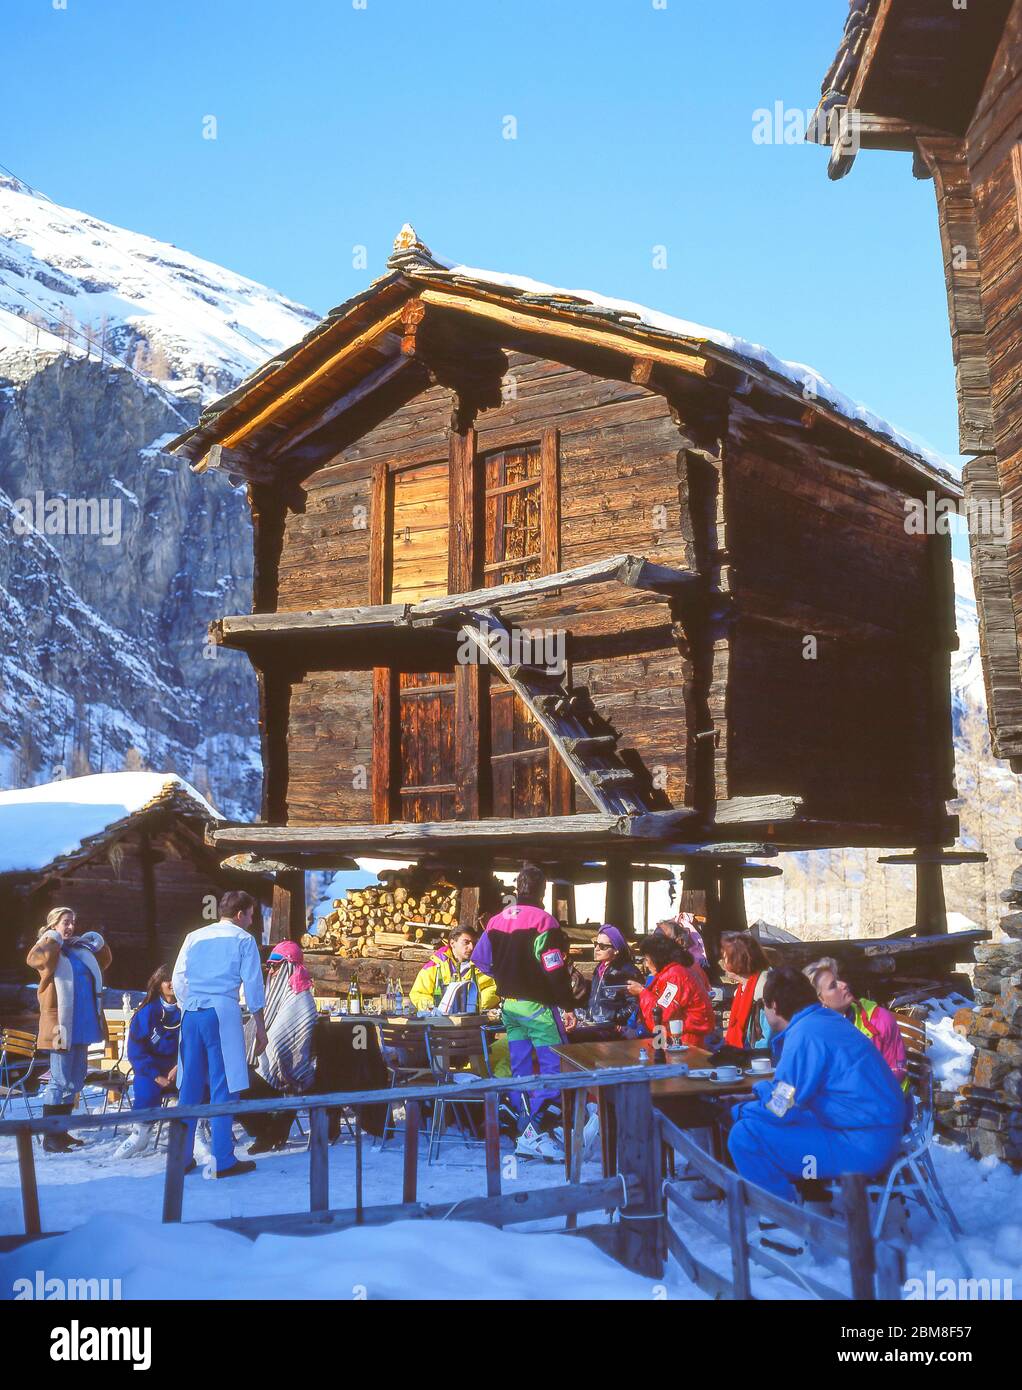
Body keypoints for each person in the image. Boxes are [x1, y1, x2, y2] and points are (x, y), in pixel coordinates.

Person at [727, 967, 906, 1209]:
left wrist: (738, 1110)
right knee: (784, 1121)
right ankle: (814, 1205)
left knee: (744, 1135)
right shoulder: (825, 1021)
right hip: (878, 1132)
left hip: (862, 1146)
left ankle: (782, 1225)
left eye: (764, 1005)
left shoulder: (804, 1036)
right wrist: (760, 1094)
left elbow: (781, 1109)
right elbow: (796, 1095)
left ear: (775, 1005)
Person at [472, 863, 575, 1159]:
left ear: (518, 888)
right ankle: (539, 1129)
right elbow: (553, 967)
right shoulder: (545, 921)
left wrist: (504, 974)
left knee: (520, 1068)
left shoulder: (495, 920)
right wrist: (567, 1003)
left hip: (510, 1006)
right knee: (553, 1068)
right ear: (543, 890)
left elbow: (480, 960)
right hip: (538, 1006)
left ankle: (521, 1124)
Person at [171, 890, 267, 1178]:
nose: (252, 920)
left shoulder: (195, 936)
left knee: (188, 1086)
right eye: (251, 914)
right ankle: (223, 1158)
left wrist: (188, 1001)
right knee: (223, 1084)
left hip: (191, 1012)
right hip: (221, 1010)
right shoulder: (243, 940)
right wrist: (260, 1024)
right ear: (240, 914)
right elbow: (252, 983)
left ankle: (180, 1155)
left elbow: (178, 977)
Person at [26, 907, 111, 1154]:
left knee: (75, 1080)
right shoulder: (50, 949)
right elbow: (35, 959)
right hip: (61, 1025)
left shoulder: (77, 950)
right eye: (65, 922)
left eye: (73, 922)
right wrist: (53, 938)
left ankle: (61, 1131)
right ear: (53, 924)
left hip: (83, 1023)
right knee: (60, 1080)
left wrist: (97, 941)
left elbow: (103, 962)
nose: (71, 926)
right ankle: (51, 1136)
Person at [241, 940, 318, 1155]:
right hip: (264, 1065)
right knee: (233, 1080)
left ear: (288, 966)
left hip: (286, 1071)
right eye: (269, 966)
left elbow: (288, 1042)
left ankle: (271, 1131)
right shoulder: (274, 995)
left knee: (238, 1084)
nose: (271, 971)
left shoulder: (300, 1000)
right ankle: (269, 1130)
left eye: (275, 965)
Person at [804, 957, 908, 1089]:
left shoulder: (878, 1020)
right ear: (820, 1000)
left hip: (888, 1101)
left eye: (838, 978)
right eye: (833, 985)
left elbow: (897, 1073)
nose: (843, 984)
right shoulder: (814, 1031)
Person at [115, 966, 181, 1158]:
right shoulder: (146, 1013)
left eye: (175, 979)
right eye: (167, 980)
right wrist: (156, 1075)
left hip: (180, 1066)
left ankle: (195, 1134)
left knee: (199, 1085)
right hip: (151, 1068)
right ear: (159, 984)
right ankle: (140, 1134)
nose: (172, 984)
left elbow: (193, 1044)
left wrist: (180, 1066)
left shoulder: (187, 1009)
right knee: (146, 1089)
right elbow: (137, 1052)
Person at [626, 931, 715, 1047]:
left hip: (687, 1041)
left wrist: (642, 992)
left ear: (657, 959)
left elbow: (661, 1014)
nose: (646, 965)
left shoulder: (675, 976)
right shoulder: (669, 974)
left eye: (647, 960)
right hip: (675, 1037)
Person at [409, 926, 499, 1014]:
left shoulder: (482, 966)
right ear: (452, 943)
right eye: (466, 942)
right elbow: (419, 993)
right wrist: (434, 1008)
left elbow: (494, 989)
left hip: (470, 1019)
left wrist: (471, 1006)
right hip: (439, 1020)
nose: (471, 947)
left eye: (474, 943)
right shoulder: (435, 964)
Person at [721, 932, 773, 1051]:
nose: (722, 962)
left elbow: (768, 1039)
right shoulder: (743, 989)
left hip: (759, 1062)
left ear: (740, 959)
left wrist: (748, 1058)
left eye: (726, 956)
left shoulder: (765, 991)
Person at [585, 926, 643, 1033]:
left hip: (615, 1030)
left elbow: (635, 1003)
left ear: (616, 950)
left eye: (602, 946)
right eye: (596, 944)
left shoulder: (627, 971)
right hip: (597, 1025)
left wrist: (617, 1018)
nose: (596, 949)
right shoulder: (600, 968)